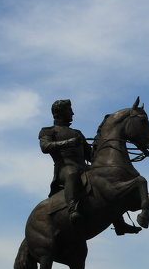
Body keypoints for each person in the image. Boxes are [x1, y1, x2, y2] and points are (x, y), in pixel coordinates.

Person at [39, 99, 139, 233]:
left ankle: (119, 223)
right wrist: (68, 142)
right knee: (72, 174)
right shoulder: (48, 131)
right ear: (59, 113)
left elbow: (90, 156)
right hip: (65, 168)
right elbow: (45, 147)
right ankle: (72, 208)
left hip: (83, 168)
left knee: (107, 182)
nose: (73, 114)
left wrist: (108, 151)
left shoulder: (77, 133)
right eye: (69, 110)